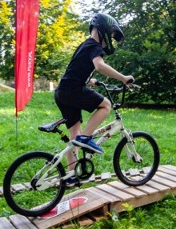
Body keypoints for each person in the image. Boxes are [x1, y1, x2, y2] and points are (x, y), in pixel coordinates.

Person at [54, 13, 134, 186]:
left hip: (63, 91)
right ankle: (86, 138)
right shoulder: (94, 46)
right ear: (103, 30)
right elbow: (99, 65)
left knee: (74, 135)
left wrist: (91, 81)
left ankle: (71, 175)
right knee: (106, 105)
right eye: (111, 35)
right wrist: (123, 78)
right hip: (73, 90)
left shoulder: (85, 45)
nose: (110, 40)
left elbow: (75, 69)